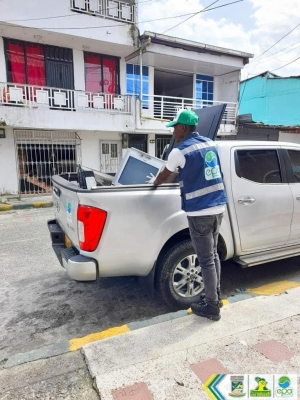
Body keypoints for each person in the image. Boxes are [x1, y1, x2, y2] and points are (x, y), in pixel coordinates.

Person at [147, 109, 227, 321]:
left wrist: (153, 182)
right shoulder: (210, 143)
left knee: (206, 259)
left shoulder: (179, 151)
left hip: (200, 210)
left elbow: (165, 174)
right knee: (214, 255)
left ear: (183, 128)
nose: (173, 131)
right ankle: (215, 296)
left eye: (174, 127)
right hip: (218, 206)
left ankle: (211, 306)